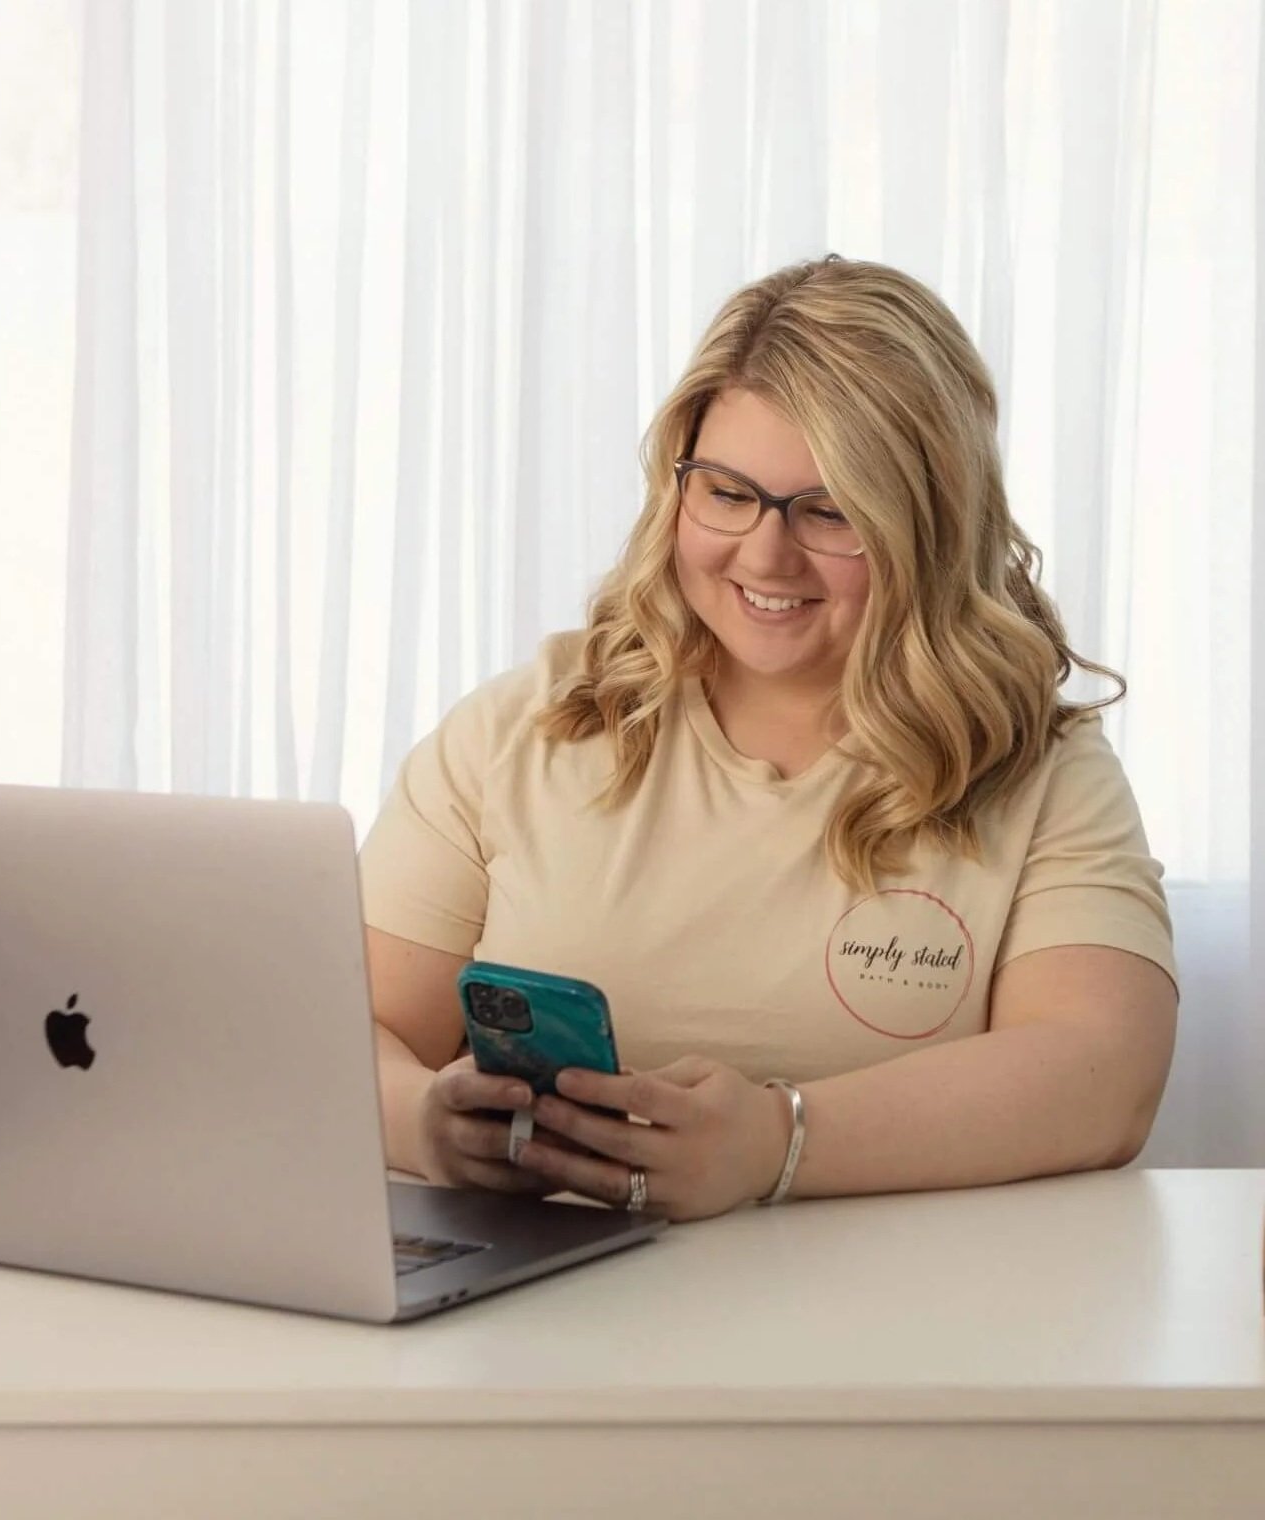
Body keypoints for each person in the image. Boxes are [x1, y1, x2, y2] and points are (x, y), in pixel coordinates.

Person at [358, 254, 1178, 1223]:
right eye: (725, 492)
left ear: (929, 525)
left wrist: (776, 1141)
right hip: (540, 1331)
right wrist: (422, 1123)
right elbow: (338, 1029)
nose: (764, 553)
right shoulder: (520, 732)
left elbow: (1100, 1076)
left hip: (903, 1342)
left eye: (828, 510)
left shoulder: (1038, 771)